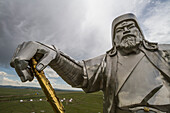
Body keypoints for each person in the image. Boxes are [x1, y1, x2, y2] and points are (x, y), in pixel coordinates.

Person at [10, 13, 170, 113]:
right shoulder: (107, 62)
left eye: (130, 27)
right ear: (114, 39)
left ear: (140, 33)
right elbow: (80, 75)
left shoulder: (165, 52)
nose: (126, 30)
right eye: (120, 29)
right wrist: (54, 54)